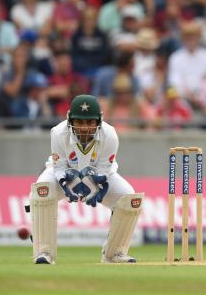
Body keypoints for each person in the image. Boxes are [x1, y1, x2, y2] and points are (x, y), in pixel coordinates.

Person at [29, 94, 144, 264]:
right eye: (80, 122)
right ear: (70, 120)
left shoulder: (110, 134)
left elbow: (104, 169)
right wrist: (65, 183)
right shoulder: (58, 132)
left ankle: (114, 254)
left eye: (90, 122)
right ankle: (44, 252)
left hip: (98, 177)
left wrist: (95, 186)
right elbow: (59, 166)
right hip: (66, 175)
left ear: (99, 120)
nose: (84, 128)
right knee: (42, 189)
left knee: (129, 198)